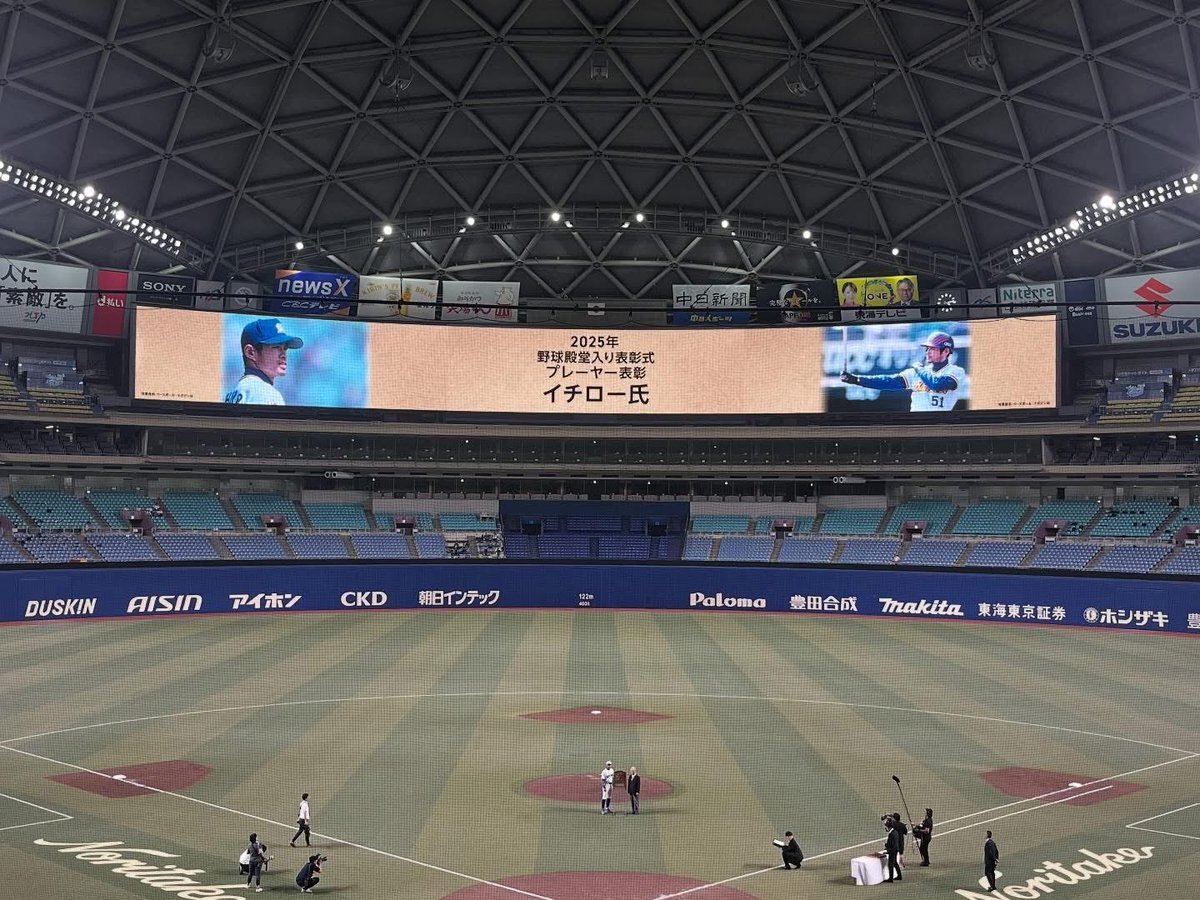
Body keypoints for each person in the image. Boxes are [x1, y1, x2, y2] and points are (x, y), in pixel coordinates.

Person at [840, 331, 965, 412]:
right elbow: (888, 381)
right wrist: (857, 380)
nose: (928, 352)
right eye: (927, 348)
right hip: (916, 423)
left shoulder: (956, 371)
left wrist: (919, 368)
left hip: (941, 423)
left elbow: (936, 384)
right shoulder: (916, 373)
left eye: (933, 348)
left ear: (946, 351)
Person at [224, 317, 303, 406]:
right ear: (250, 352)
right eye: (276, 347)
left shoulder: (233, 394)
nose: (283, 355)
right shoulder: (266, 393)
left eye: (285, 348)